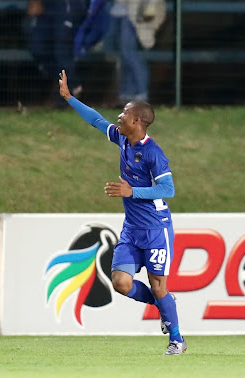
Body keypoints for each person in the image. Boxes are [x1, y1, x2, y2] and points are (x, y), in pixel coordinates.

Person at [57, 69, 186, 356]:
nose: (119, 116)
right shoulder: (122, 138)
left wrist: (132, 192)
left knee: (157, 284)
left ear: (137, 121)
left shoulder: (154, 153)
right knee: (121, 283)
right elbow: (96, 120)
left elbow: (168, 190)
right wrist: (69, 99)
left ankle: (176, 339)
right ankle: (163, 303)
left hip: (155, 229)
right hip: (132, 229)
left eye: (125, 113)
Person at [104, 0, 165, 105]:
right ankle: (126, 94)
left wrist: (150, 6)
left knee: (130, 53)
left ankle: (140, 94)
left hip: (135, 12)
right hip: (117, 10)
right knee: (121, 54)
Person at [27, 0, 86, 106]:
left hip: (68, 9)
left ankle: (68, 94)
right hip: (47, 10)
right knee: (37, 46)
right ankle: (65, 85)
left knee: (62, 49)